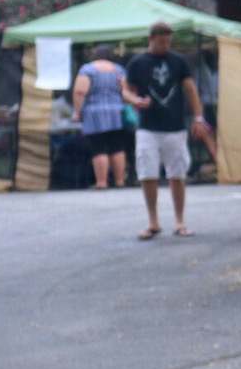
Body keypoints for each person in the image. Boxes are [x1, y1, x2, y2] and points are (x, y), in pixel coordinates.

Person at [123, 21, 212, 239]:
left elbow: (190, 90)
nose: (165, 45)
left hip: (175, 127)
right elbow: (126, 90)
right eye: (161, 42)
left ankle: (179, 221)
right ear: (151, 39)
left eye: (168, 42)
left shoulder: (178, 61)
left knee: (177, 174)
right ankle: (153, 221)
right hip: (147, 127)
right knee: (147, 173)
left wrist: (198, 118)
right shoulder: (137, 63)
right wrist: (135, 100)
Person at [70, 44, 130, 190]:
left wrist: (77, 111)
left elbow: (80, 91)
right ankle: (120, 181)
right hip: (117, 112)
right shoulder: (119, 70)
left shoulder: (88, 70)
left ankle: (102, 182)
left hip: (95, 113)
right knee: (117, 147)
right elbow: (126, 91)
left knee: (99, 147)